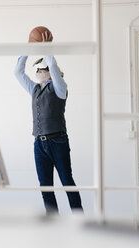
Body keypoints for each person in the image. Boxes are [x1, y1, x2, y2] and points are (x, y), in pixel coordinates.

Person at [13, 54, 83, 214]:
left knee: (67, 183)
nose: (38, 71)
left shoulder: (59, 87)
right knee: (45, 187)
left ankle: (79, 219)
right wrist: (27, 50)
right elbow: (17, 72)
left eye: (41, 69)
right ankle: (53, 223)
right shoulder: (34, 89)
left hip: (58, 142)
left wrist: (45, 48)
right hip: (39, 143)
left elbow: (52, 64)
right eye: (37, 69)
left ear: (51, 72)